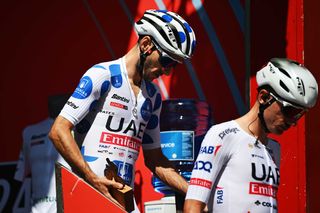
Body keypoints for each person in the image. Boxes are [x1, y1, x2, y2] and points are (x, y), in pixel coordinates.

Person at [48, 9, 196, 212]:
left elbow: (154, 160)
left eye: (175, 66)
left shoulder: (153, 97)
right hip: (88, 197)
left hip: (124, 203)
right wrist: (92, 179)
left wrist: (195, 194)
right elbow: (58, 131)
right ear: (145, 45)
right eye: (167, 61)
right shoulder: (102, 76)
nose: (168, 71)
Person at [184, 58, 318, 213]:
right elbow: (192, 207)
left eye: (299, 114)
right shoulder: (222, 135)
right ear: (264, 97)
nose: (292, 121)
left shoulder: (274, 148)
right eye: (290, 111)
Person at [14, 94, 70, 213]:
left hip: (64, 207)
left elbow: (20, 175)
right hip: (37, 208)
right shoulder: (29, 132)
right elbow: (20, 175)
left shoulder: (76, 131)